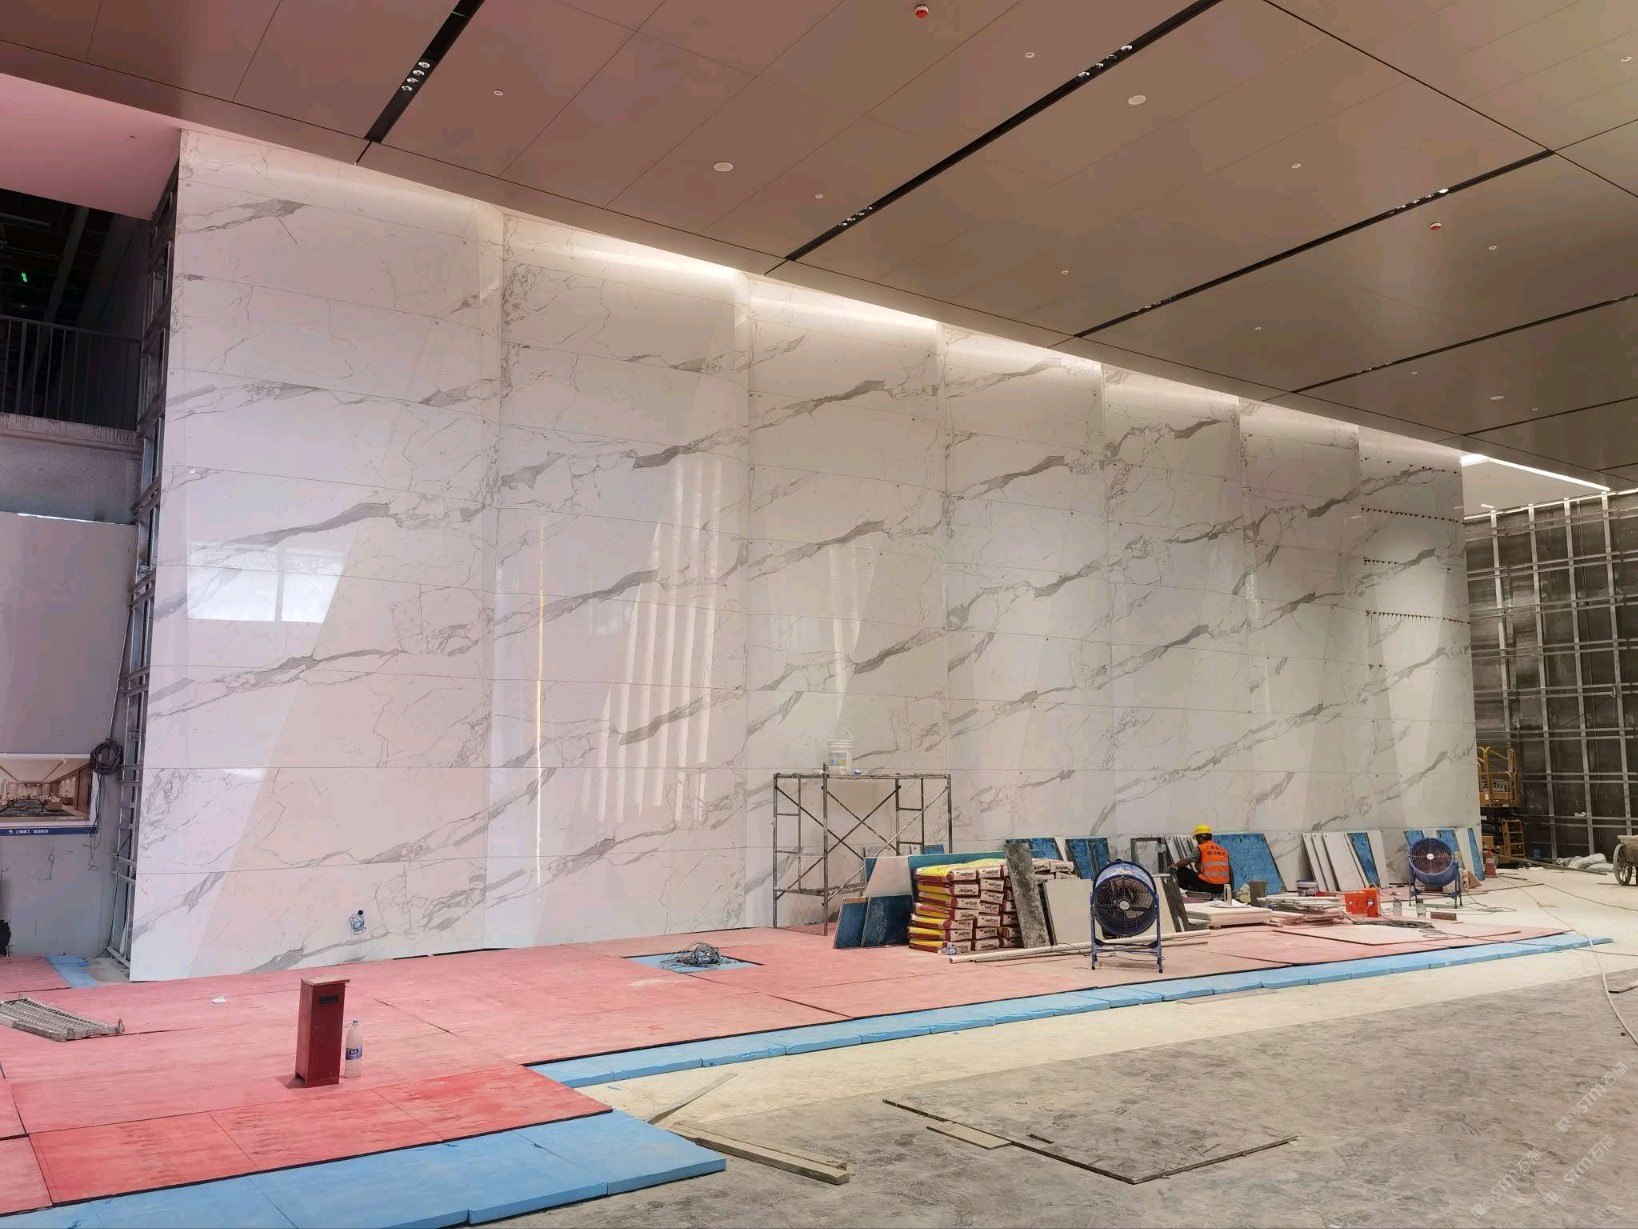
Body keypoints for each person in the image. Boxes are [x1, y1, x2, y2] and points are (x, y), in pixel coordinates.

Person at [1174, 824, 1232, 895]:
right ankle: (1196, 889)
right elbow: (1230, 872)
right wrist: (1229, 890)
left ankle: (1183, 894)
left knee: (1182, 871)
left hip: (1208, 885)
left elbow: (1186, 861)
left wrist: (1173, 866)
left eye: (1196, 838)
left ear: (1200, 838)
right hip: (1222, 888)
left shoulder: (1201, 848)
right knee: (1199, 873)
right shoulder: (1223, 850)